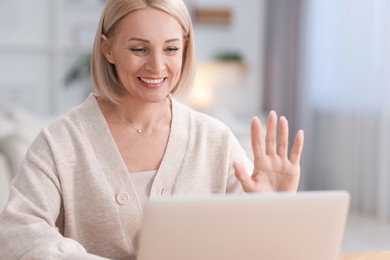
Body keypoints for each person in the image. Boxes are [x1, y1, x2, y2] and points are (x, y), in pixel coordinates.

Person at [0, 0, 304, 259]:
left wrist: (275, 209)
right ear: (107, 49)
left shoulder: (215, 140)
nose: (157, 66)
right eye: (139, 49)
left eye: (171, 49)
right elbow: (17, 232)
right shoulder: (60, 142)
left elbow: (251, 247)